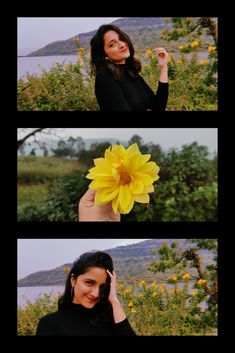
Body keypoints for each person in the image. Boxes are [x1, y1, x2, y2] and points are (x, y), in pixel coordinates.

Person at [36, 251, 135, 336]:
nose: (96, 294)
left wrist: (114, 300)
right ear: (73, 280)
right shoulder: (50, 324)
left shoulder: (110, 320)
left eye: (102, 287)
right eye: (89, 283)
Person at [90, 24, 169, 111]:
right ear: (104, 55)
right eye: (112, 44)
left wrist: (163, 67)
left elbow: (159, 107)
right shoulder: (104, 76)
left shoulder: (131, 72)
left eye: (120, 39)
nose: (122, 45)